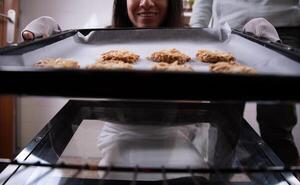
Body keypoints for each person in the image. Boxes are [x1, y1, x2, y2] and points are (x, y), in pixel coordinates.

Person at [21, 0, 298, 170]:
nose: (146, 3)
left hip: (179, 149)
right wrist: (51, 33)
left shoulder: (192, 51)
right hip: (116, 149)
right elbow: (70, 64)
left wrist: (250, 35)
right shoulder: (99, 45)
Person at [190, 0, 300, 166]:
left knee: (277, 119)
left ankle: (287, 183)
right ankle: (216, 180)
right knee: (222, 119)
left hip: (282, 24)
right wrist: (197, 29)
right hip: (229, 30)